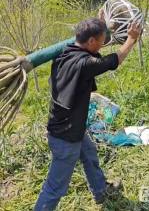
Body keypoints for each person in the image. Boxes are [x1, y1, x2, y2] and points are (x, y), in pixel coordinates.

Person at [34, 16, 142, 210]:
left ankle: (101, 191)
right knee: (55, 187)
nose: (104, 43)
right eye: (102, 39)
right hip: (65, 137)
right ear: (91, 41)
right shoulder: (85, 64)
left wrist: (102, 22)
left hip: (71, 125)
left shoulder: (64, 53)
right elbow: (114, 60)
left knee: (89, 152)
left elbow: (97, 56)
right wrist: (131, 39)